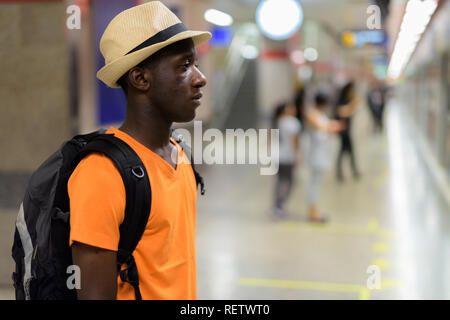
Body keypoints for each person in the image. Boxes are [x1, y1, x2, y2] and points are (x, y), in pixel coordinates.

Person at [68, 2, 211, 300]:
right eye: (184, 66)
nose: (200, 78)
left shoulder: (179, 154)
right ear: (140, 78)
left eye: (195, 64)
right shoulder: (102, 173)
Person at [305, 93, 345, 222]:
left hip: (322, 154)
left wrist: (333, 126)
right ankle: (313, 213)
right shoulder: (312, 114)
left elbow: (327, 126)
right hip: (316, 155)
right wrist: (332, 127)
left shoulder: (321, 116)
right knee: (314, 185)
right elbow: (322, 126)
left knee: (317, 184)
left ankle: (314, 211)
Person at [272, 102, 301, 218]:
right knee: (290, 181)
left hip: (277, 155)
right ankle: (279, 205)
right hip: (287, 156)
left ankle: (277, 205)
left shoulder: (279, 121)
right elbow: (295, 141)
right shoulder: (293, 123)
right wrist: (296, 156)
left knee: (280, 181)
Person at [334, 81, 361, 181]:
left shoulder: (348, 99)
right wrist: (353, 105)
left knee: (346, 151)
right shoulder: (343, 100)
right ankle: (345, 171)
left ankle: (348, 171)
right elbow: (342, 112)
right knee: (345, 151)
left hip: (347, 129)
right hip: (343, 130)